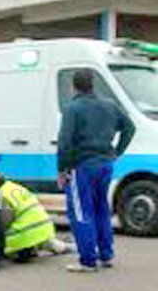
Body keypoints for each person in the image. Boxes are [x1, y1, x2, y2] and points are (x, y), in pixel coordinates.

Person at [58, 69, 135, 273]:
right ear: (93, 85)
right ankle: (106, 255)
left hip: (81, 166)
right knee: (101, 209)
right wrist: (116, 152)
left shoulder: (72, 108)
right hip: (105, 165)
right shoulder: (110, 105)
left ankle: (87, 261)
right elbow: (130, 128)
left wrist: (61, 170)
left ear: (74, 86)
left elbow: (65, 142)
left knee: (82, 212)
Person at [0, 171, 75, 262]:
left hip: (25, 234)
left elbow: (5, 221)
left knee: (6, 248)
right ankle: (62, 247)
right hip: (44, 227)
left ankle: (29, 250)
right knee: (42, 238)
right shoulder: (14, 187)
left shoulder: (3, 195)